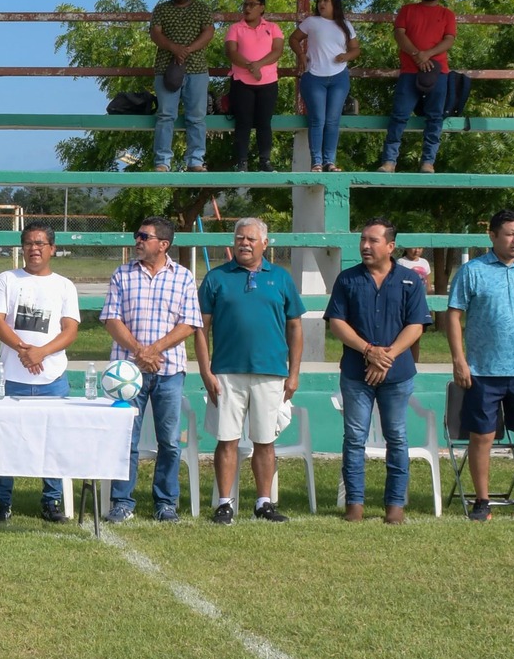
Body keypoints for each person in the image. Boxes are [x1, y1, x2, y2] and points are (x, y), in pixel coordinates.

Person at [445, 208, 514, 522]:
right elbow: (453, 315)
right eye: (509, 234)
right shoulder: (472, 271)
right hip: (482, 370)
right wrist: (459, 360)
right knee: (481, 436)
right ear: (492, 236)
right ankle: (482, 501)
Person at [195, 218, 305, 523]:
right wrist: (206, 371)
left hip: (271, 372)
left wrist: (293, 374)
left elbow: (295, 327)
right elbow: (201, 328)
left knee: (264, 440)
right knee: (227, 439)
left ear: (265, 244)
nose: (244, 243)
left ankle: (263, 502)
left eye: (251, 239)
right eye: (240, 238)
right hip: (226, 373)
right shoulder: (216, 278)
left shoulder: (281, 278)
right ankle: (225, 503)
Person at [325, 218, 431, 523]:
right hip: (357, 373)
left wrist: (388, 356)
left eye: (373, 240)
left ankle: (395, 506)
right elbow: (337, 323)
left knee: (396, 437)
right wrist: (369, 351)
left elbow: (416, 325)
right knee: (354, 437)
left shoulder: (410, 280)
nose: (365, 246)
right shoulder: (348, 279)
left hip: (397, 375)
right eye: (363, 240)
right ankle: (354, 505)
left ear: (391, 246)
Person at [101, 216, 202, 522]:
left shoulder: (183, 277)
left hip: (169, 371)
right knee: (125, 439)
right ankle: (122, 502)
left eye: (144, 236)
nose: (138, 241)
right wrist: (139, 352)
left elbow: (189, 324)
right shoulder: (122, 274)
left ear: (164, 244)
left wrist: (154, 350)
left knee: (169, 441)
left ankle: (166, 503)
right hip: (126, 376)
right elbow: (111, 319)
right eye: (138, 235)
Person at [0, 225, 81, 523]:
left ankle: (51, 502)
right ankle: (2, 502)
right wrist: (23, 350)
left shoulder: (64, 286)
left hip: (51, 378)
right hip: (12, 377)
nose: (34, 248)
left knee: (52, 441)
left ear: (53, 248)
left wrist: (42, 352)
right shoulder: (7, 279)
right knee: (5, 441)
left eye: (40, 243)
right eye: (28, 243)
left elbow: (70, 329)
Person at [379, 0, 457, 173]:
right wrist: (416, 55)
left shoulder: (447, 14)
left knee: (434, 117)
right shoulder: (407, 10)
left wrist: (427, 55)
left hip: (438, 73)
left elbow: (448, 39)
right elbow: (399, 34)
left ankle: (428, 162)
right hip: (409, 71)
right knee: (399, 115)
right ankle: (389, 161)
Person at [149, 0, 217, 172]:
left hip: (196, 69)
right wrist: (174, 48)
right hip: (165, 69)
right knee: (165, 115)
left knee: (196, 117)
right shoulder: (161, 9)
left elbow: (209, 32)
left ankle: (195, 160)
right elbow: (155, 33)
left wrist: (187, 51)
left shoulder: (201, 9)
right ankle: (162, 161)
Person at [290, 0, 358, 171]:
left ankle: (330, 161)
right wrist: (302, 56)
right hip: (314, 77)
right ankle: (317, 162)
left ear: (334, 3)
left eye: (326, 0)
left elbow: (356, 49)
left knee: (332, 120)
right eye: (320, 1)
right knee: (317, 119)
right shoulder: (311, 22)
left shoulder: (344, 24)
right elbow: (293, 39)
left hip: (339, 77)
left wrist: (346, 56)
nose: (321, 4)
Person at [223, 0, 285, 171]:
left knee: (264, 122)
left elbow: (277, 50)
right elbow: (231, 52)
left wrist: (258, 65)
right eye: (245, 5)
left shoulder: (273, 27)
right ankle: (242, 161)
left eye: (252, 4)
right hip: (241, 82)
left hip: (268, 81)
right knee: (243, 121)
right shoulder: (235, 28)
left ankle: (264, 160)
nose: (247, 8)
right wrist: (251, 67)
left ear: (262, 7)